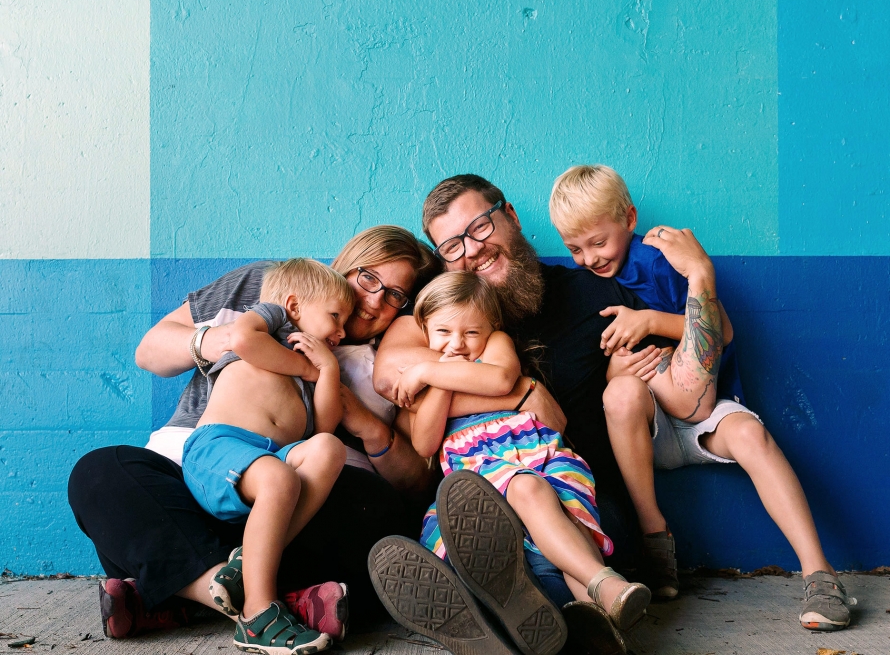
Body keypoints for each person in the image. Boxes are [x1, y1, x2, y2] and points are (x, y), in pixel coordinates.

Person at [369, 175, 705, 655]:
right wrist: (521, 396)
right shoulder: (446, 307)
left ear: (510, 216)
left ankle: (510, 622)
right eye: (453, 245)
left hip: (577, 493)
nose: (472, 249)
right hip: (477, 496)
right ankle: (573, 626)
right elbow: (392, 378)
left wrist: (697, 283)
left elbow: (692, 378)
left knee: (526, 535)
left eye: (480, 226)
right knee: (472, 535)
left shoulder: (593, 293)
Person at [68, 226, 439, 640]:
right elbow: (149, 352)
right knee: (101, 473)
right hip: (188, 486)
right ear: (345, 265)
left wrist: (363, 420)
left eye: (395, 295)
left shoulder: (395, 356)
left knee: (382, 516)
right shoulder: (267, 288)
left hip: (300, 507)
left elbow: (416, 483)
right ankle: (267, 603)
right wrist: (227, 341)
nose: (373, 301)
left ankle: (183, 594)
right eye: (367, 278)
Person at [549, 163, 856, 631]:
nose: (589, 258)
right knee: (621, 392)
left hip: (704, 410)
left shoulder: (657, 261)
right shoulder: (588, 285)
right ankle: (654, 539)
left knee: (752, 436)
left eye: (598, 242)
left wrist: (651, 320)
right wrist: (616, 366)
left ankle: (820, 573)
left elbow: (723, 331)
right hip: (649, 422)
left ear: (629, 218)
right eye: (575, 248)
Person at [400, 272, 650, 634]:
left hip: (537, 457)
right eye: (443, 332)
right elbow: (424, 443)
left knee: (555, 513)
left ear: (491, 327)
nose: (457, 344)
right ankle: (598, 620)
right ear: (424, 330)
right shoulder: (435, 377)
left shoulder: (495, 345)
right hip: (477, 480)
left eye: (471, 332)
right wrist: (440, 377)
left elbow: (502, 379)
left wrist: (429, 371)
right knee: (510, 535)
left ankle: (603, 594)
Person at [182, 258, 354, 654]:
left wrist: (327, 370)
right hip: (218, 447)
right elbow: (242, 340)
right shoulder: (272, 321)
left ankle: (244, 567)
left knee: (329, 449)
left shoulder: (315, 366)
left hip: (273, 460)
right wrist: (306, 369)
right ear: (294, 306)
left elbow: (324, 426)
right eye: (335, 316)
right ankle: (257, 615)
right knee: (279, 477)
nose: (342, 332)